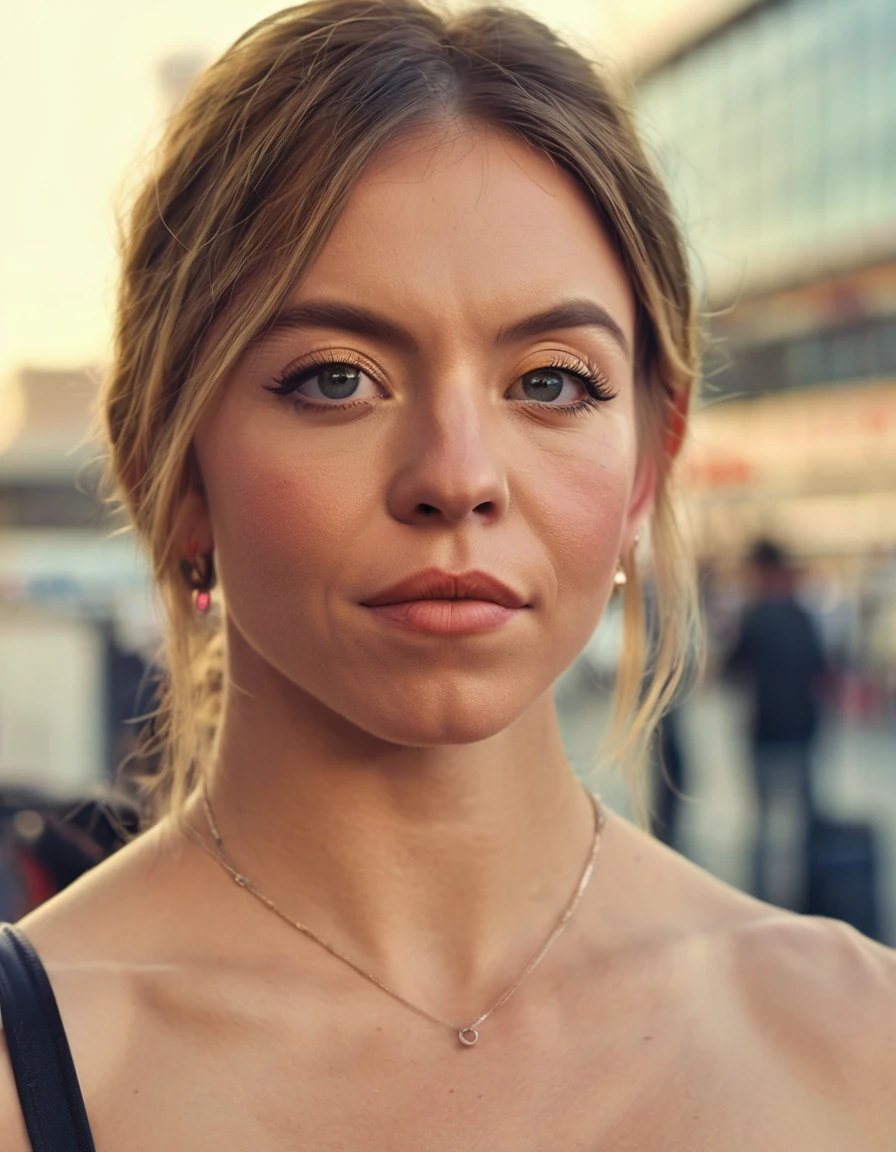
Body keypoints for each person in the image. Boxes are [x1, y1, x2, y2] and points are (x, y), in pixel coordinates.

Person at [1, 2, 894, 1147]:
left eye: (552, 381)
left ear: (641, 473)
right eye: (335, 378)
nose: (456, 477)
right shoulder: (36, 1071)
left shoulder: (859, 1047)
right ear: (174, 470)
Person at [725, 540, 829, 908]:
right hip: (801, 731)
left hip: (765, 733)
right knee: (803, 821)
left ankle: (759, 899)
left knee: (764, 822)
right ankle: (809, 896)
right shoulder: (802, 614)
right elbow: (823, 670)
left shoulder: (754, 616)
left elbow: (730, 669)